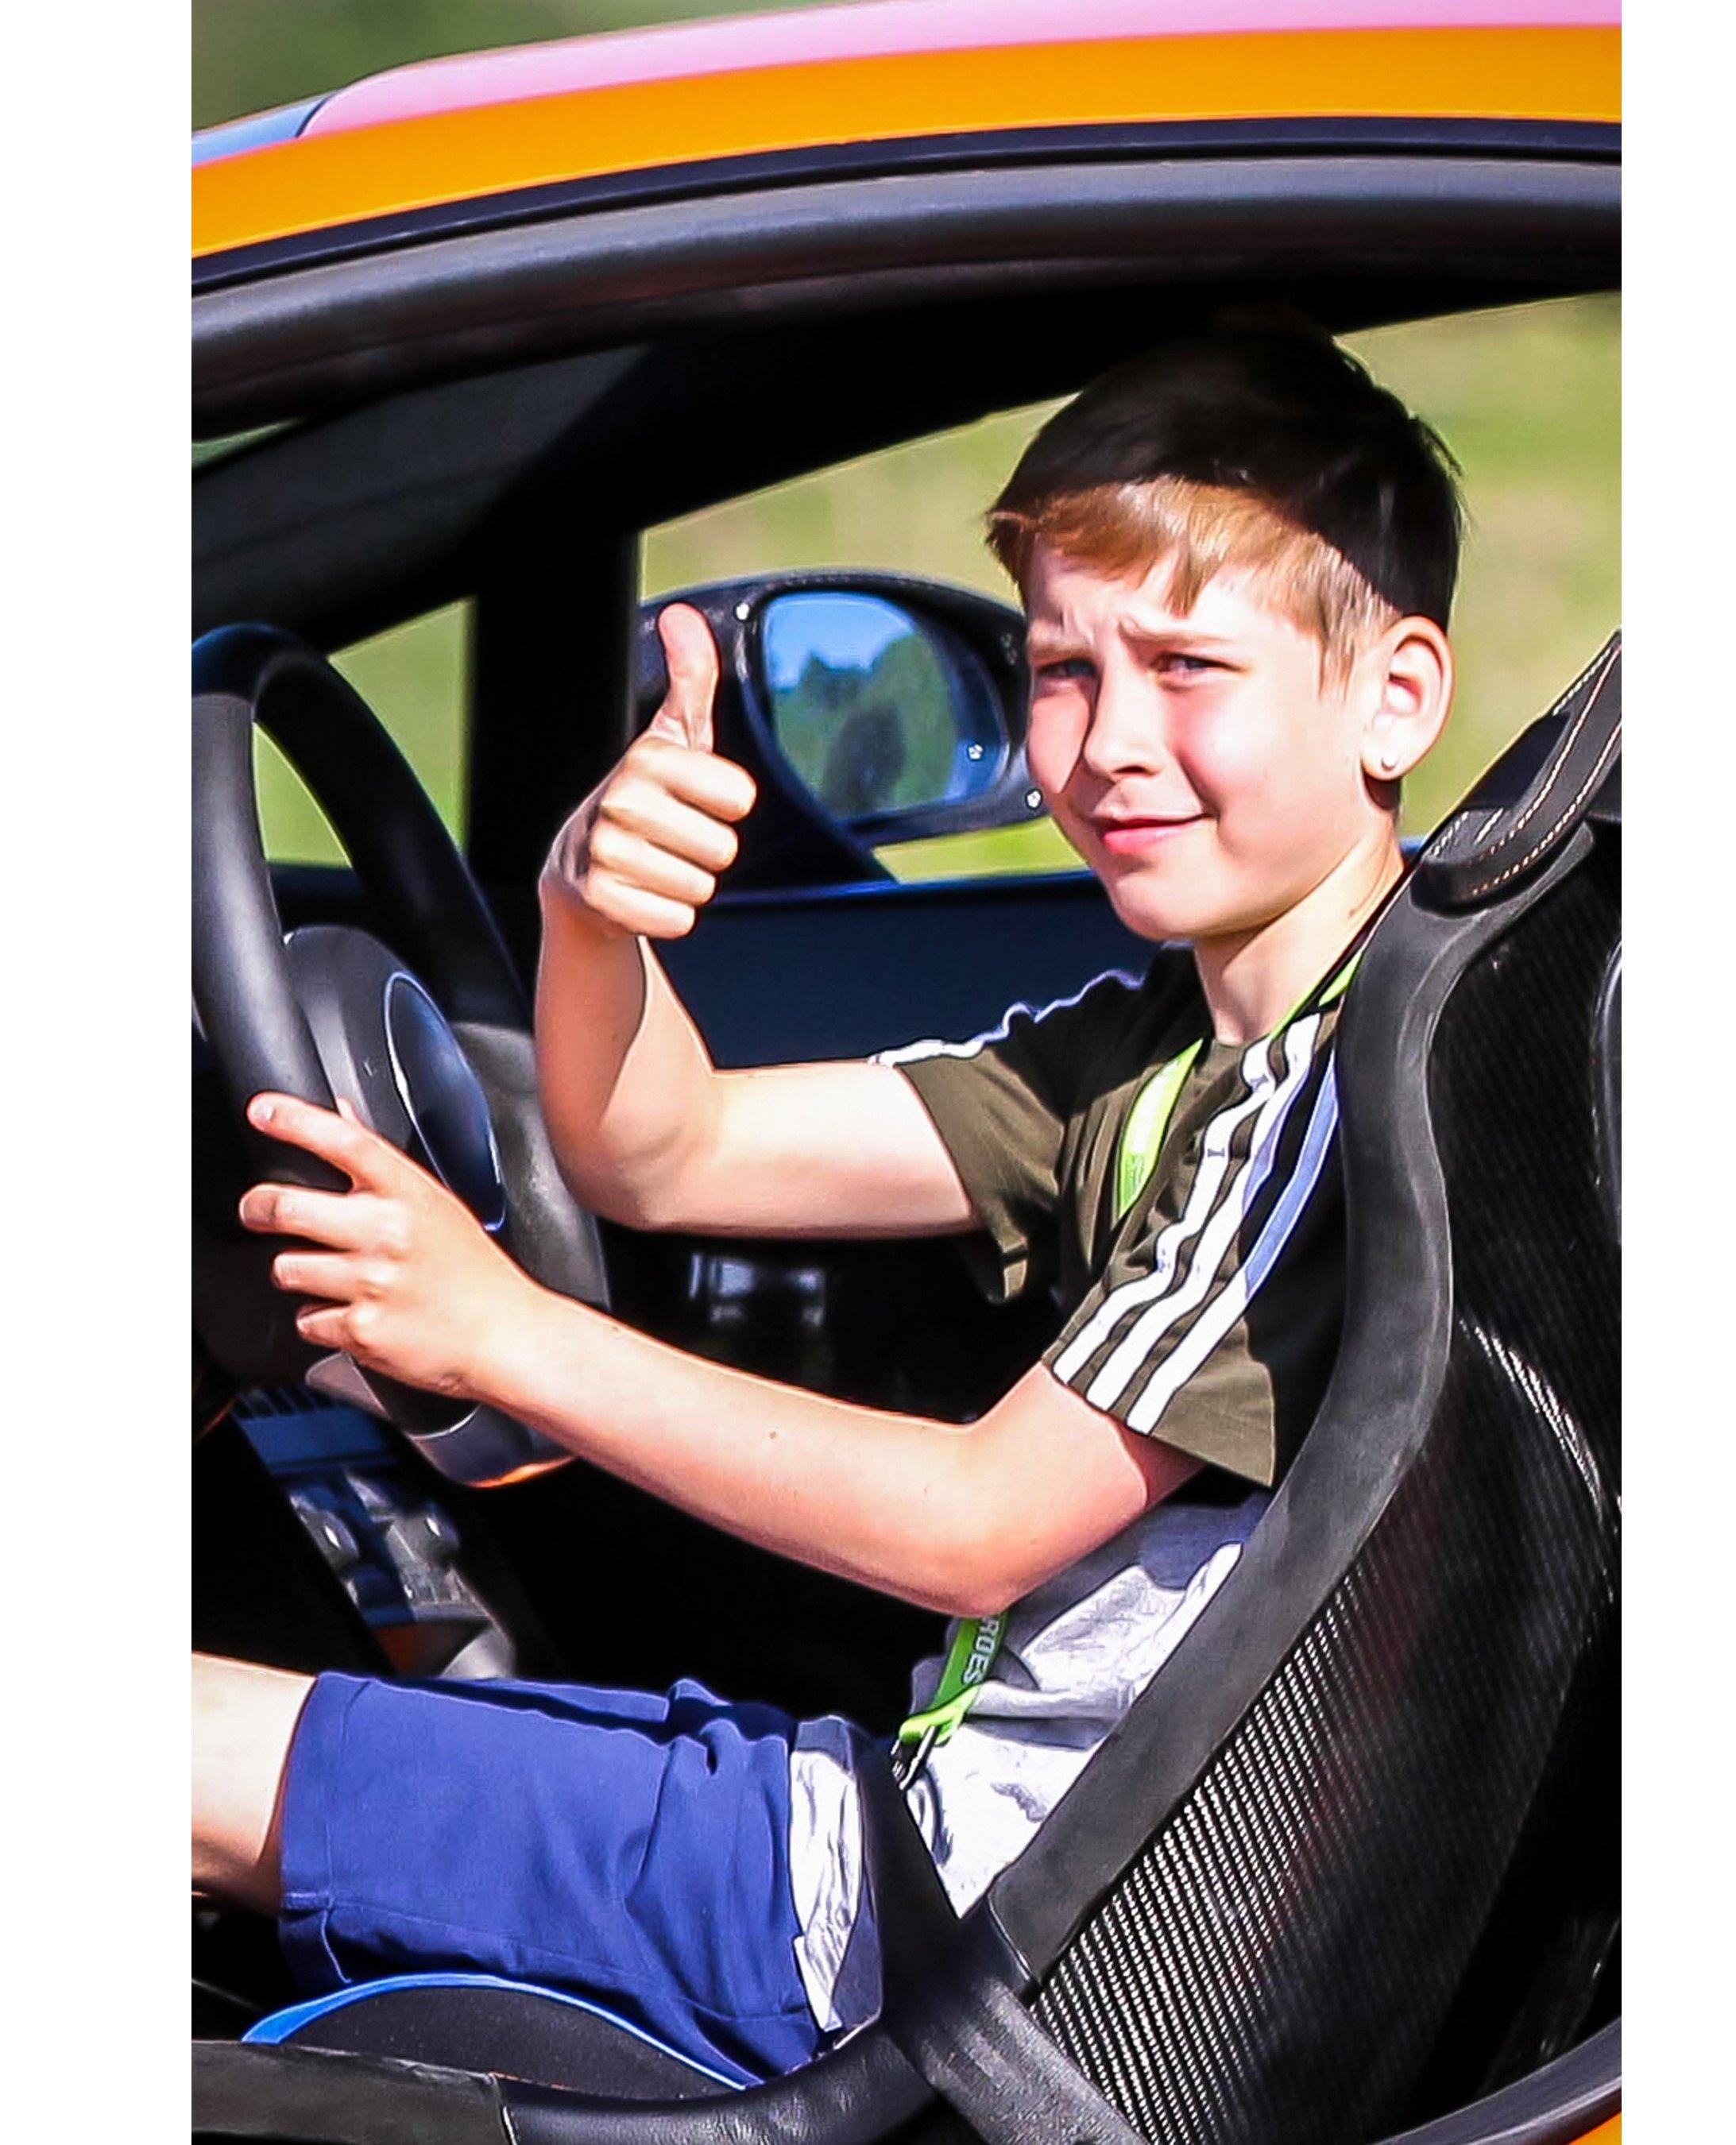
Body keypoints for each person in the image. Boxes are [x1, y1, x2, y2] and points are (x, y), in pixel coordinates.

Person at [193, 327, 1464, 2086]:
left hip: (982, 1938)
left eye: (1189, 666)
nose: (1109, 743)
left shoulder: (1328, 1093)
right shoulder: (1171, 1047)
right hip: (942, 1855)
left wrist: (503, 1335)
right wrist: (590, 914)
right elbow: (668, 1152)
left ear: (1397, 696)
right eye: (1062, 668)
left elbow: (975, 1525)